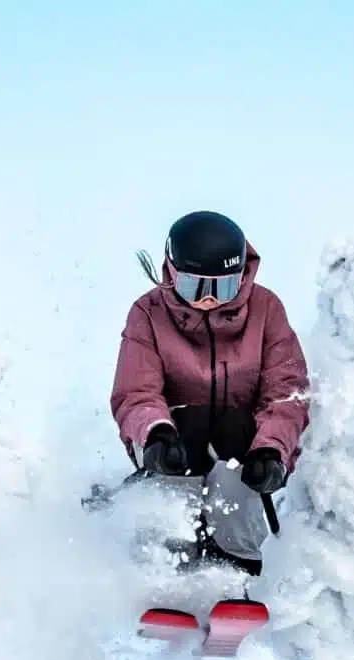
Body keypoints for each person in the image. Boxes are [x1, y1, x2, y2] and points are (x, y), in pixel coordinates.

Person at [109, 210, 310, 575]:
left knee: (237, 458)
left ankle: (236, 565)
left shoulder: (266, 310)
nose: (207, 300)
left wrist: (271, 450)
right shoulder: (148, 313)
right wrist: (155, 432)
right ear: (171, 272)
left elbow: (286, 393)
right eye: (194, 286)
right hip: (173, 440)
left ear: (243, 277)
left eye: (223, 288)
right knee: (183, 441)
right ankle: (169, 558)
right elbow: (136, 391)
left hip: (242, 442)